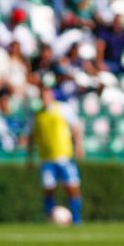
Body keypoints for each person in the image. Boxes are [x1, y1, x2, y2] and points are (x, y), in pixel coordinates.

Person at [26, 85, 84, 224]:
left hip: (64, 156)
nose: (45, 98)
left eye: (47, 95)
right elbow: (31, 137)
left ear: (51, 96)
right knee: (48, 188)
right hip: (46, 159)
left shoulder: (63, 109)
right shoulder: (37, 115)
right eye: (42, 96)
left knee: (72, 187)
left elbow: (75, 127)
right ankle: (49, 217)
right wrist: (29, 158)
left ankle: (77, 219)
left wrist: (78, 146)